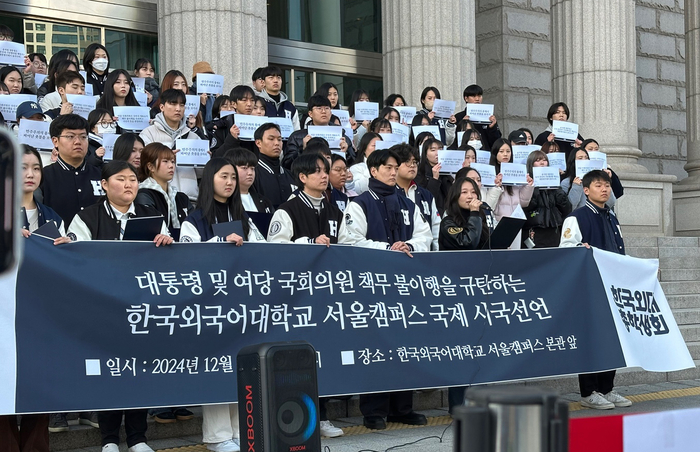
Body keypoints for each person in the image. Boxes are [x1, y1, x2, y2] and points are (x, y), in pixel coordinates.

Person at [338, 148, 431, 430]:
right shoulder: (360, 204)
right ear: (373, 171)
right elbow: (350, 240)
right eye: (387, 167)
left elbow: (424, 236)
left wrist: (409, 246)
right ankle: (374, 410)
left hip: (404, 288)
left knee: (405, 346)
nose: (393, 172)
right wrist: (388, 249)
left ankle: (401, 408)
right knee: (376, 348)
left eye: (395, 167)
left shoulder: (408, 203)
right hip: (373, 288)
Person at [559, 169, 632, 410]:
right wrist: (581, 247)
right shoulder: (577, 217)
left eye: (607, 185)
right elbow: (566, 250)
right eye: (599, 185)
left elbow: (619, 251)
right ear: (586, 190)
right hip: (588, 288)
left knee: (611, 339)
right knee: (591, 339)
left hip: (612, 286)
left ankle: (607, 388)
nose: (605, 189)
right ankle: (588, 391)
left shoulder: (611, 217)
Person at [179, 158, 265, 244]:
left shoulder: (242, 216)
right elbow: (189, 253)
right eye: (224, 177)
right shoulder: (194, 220)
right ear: (210, 179)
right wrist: (222, 241)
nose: (230, 182)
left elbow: (260, 247)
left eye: (234, 178)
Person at [41, 114, 104, 228]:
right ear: (55, 141)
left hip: (97, 243)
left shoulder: (101, 175)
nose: (78, 142)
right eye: (70, 136)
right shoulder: (44, 177)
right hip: (57, 243)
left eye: (83, 137)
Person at [140, 88, 202, 201]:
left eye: (182, 105)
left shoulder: (194, 137)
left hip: (189, 199)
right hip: (159, 198)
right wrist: (167, 157)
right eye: (173, 104)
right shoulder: (148, 134)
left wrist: (204, 160)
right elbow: (144, 166)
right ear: (162, 107)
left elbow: (200, 174)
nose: (178, 109)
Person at [136, 142, 192, 241]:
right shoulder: (143, 195)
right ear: (150, 167)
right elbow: (151, 228)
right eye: (165, 161)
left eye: (173, 161)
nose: (171, 166)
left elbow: (193, 225)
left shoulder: (181, 197)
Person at [393, 143, 441, 251]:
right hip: (397, 255)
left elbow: (436, 229)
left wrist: (438, 255)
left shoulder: (426, 195)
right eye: (406, 162)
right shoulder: (388, 195)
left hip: (424, 257)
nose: (412, 165)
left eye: (414, 162)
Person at [285, 95, 353, 169]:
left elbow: (354, 163)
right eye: (319, 108)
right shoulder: (297, 137)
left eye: (327, 108)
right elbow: (287, 164)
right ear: (310, 113)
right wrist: (302, 149)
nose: (323, 111)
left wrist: (346, 153)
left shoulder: (342, 137)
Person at [489, 138, 534, 249]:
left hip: (514, 223)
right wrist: (497, 187)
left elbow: (523, 202)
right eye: (501, 151)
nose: (505, 154)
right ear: (495, 153)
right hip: (497, 223)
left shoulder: (516, 172)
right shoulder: (490, 173)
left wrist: (528, 185)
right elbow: (488, 204)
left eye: (508, 151)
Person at [522, 151, 571, 248]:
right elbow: (526, 206)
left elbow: (566, 207)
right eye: (538, 160)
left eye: (545, 160)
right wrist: (533, 187)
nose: (542, 163)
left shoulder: (554, 184)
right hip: (535, 229)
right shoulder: (526, 183)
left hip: (553, 228)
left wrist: (557, 185)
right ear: (531, 164)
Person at [252, 123, 296, 208]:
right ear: (258, 143)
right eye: (271, 139)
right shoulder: (253, 174)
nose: (277, 143)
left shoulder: (291, 175)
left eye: (279, 139)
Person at [224, 148, 274, 214]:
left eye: (252, 169)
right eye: (244, 168)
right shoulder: (224, 201)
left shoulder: (264, 202)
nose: (250, 173)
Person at [454, 84, 502, 150]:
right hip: (466, 154)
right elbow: (453, 140)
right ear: (466, 98)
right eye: (473, 96)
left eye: (479, 96)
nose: (477, 99)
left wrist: (492, 128)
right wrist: (462, 125)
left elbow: (496, 141)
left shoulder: (488, 117)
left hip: (485, 155)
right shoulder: (459, 117)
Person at [415, 137, 453, 213]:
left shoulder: (448, 172)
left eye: (440, 149)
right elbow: (426, 198)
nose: (437, 153)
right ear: (425, 154)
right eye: (433, 150)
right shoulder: (419, 173)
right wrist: (435, 178)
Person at [259, 65, 300, 130]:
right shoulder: (257, 103)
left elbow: (296, 131)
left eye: (278, 77)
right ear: (263, 82)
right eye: (271, 77)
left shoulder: (289, 106)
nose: (275, 81)